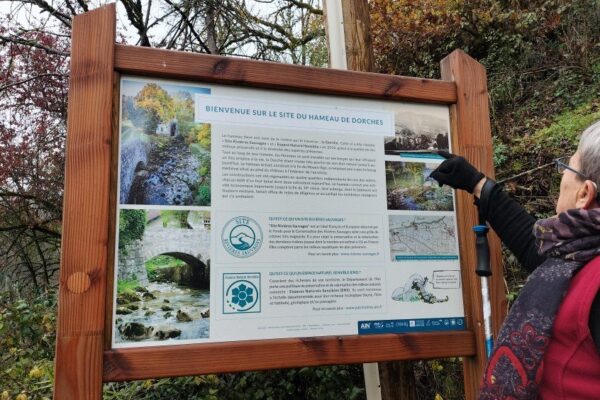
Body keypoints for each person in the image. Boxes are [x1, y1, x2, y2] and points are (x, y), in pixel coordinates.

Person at [429, 121, 600, 399]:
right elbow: (537, 252)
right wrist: (476, 183)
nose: (562, 177)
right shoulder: (577, 257)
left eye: (567, 168)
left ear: (584, 193)